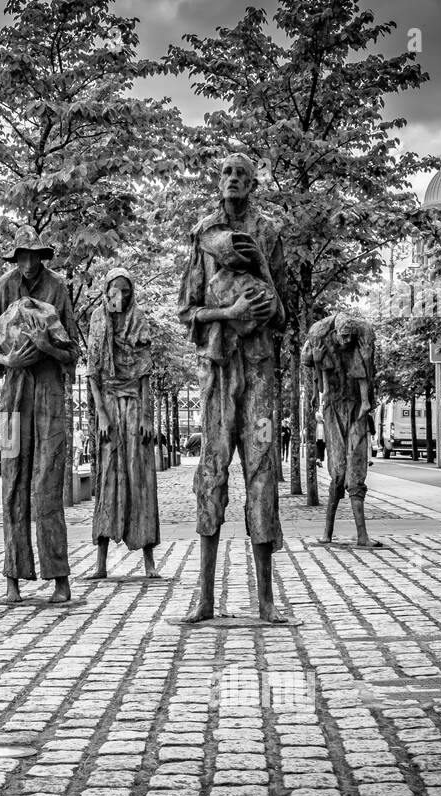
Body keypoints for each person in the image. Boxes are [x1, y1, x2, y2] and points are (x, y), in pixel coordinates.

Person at [178, 153, 288, 623]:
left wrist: (260, 273)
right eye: (226, 173)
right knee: (212, 469)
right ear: (218, 181)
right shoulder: (203, 233)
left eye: (242, 174)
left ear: (253, 184)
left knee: (262, 470)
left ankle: (266, 601)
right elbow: (188, 312)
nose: (233, 180)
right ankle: (204, 598)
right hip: (219, 372)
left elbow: (284, 314)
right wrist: (230, 312)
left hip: (260, 370)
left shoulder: (269, 233)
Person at [0, 225, 80, 604]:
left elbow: (73, 351)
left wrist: (47, 346)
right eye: (21, 256)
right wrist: (8, 359)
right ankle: (13, 578)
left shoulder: (57, 287)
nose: (27, 263)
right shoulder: (3, 287)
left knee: (47, 484)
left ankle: (59, 578)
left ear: (42, 256)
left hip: (49, 397)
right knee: (12, 484)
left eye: (33, 255)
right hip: (13, 399)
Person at [86, 267, 160, 579]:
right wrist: (101, 414)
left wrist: (146, 415)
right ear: (106, 291)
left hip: (134, 406)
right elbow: (93, 373)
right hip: (109, 408)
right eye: (116, 290)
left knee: (139, 476)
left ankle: (148, 561)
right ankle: (101, 561)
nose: (122, 296)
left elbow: (144, 372)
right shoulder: (97, 320)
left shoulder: (138, 319)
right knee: (107, 479)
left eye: (126, 291)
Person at [302, 314, 379, 546]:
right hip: (334, 407)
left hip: (357, 409)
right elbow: (311, 362)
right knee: (337, 471)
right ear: (334, 333)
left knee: (356, 468)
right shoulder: (320, 337)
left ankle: (362, 535)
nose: (346, 341)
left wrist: (366, 402)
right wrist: (317, 393)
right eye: (343, 337)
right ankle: (327, 533)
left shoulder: (362, 339)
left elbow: (367, 370)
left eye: (350, 337)